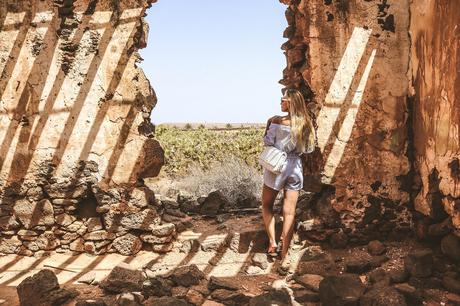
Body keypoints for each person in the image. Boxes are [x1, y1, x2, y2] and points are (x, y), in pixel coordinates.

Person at [261, 88, 316, 270]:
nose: (280, 103)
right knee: (289, 212)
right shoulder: (305, 124)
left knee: (267, 205)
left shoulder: (276, 121)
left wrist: (270, 126)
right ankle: (285, 255)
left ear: (290, 102)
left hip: (276, 167)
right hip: (295, 168)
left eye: (283, 100)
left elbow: (268, 142)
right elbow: (308, 150)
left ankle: (273, 243)